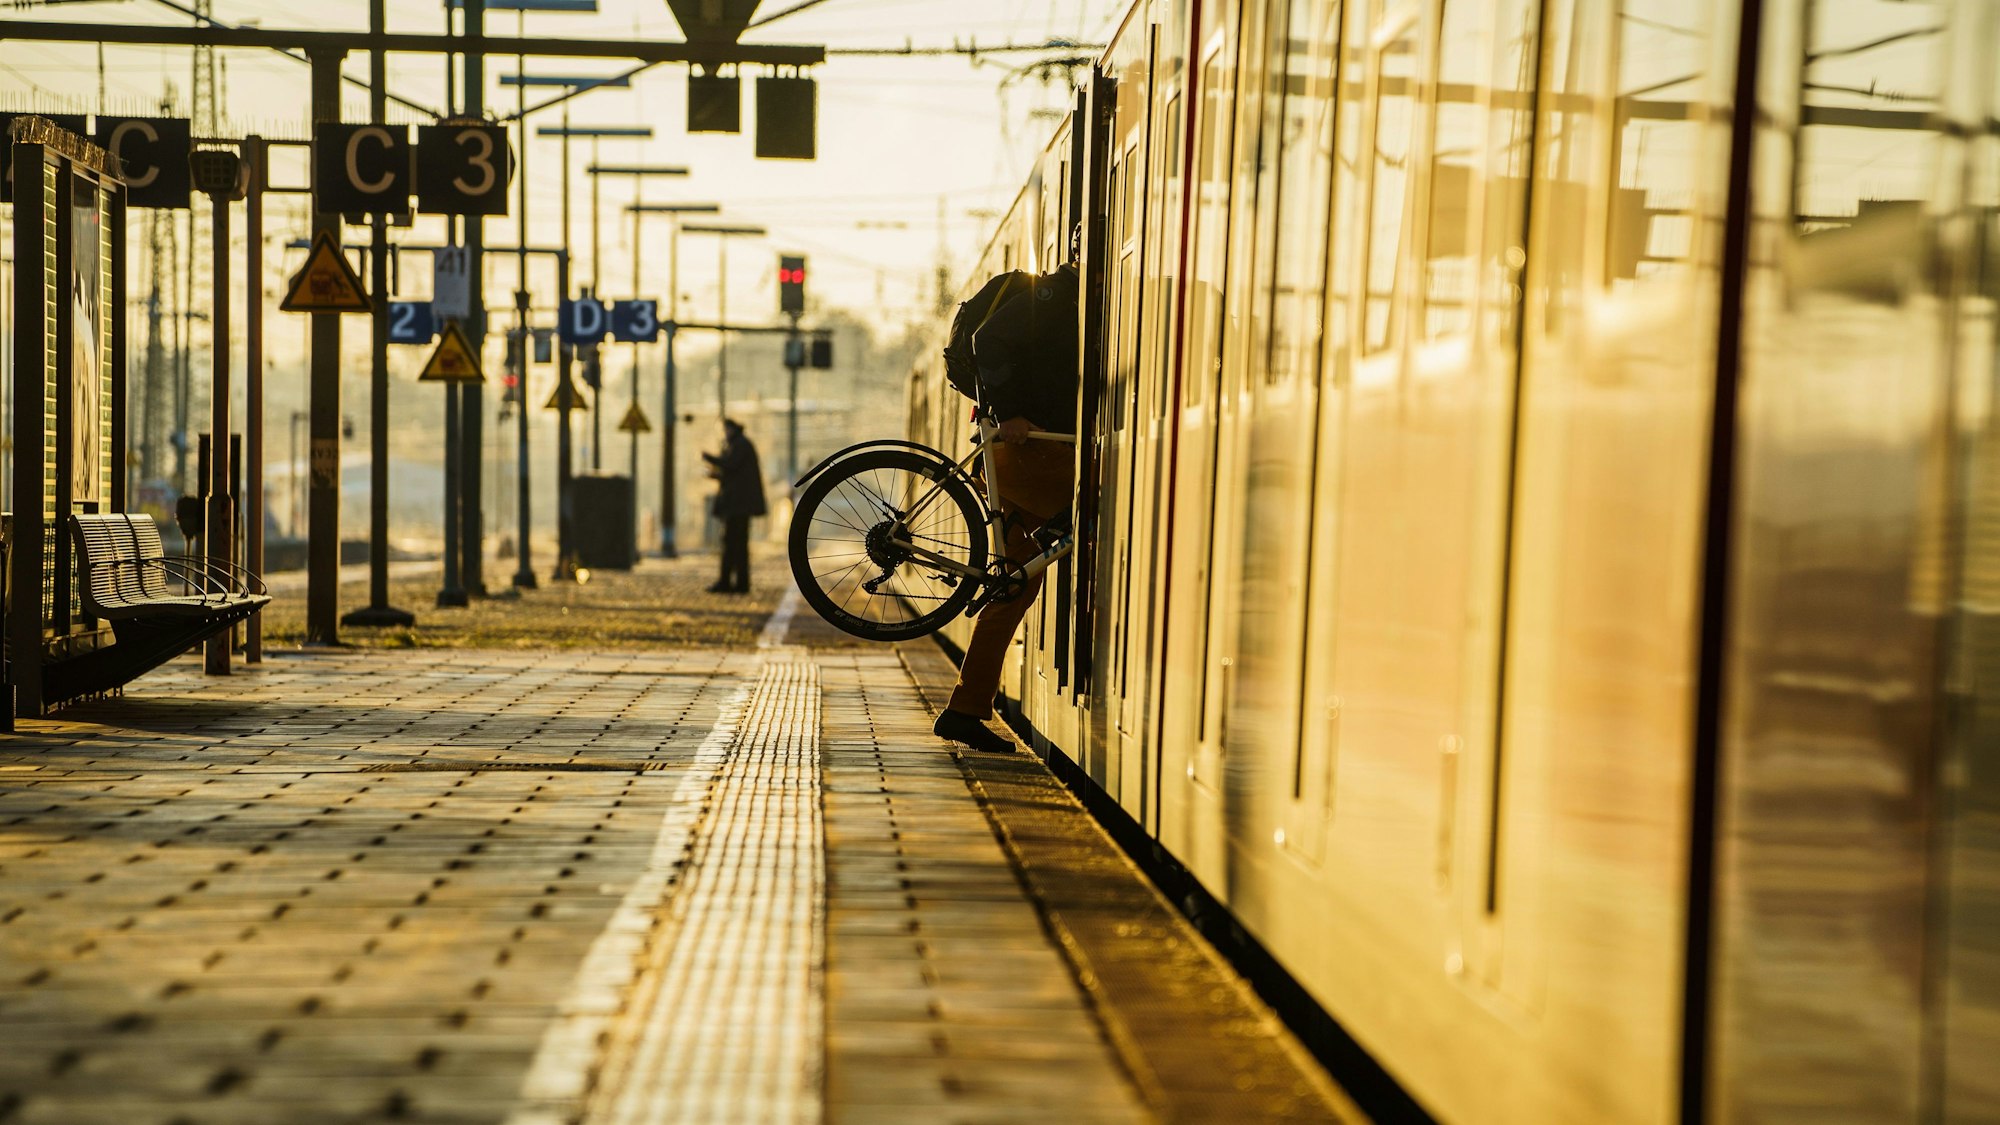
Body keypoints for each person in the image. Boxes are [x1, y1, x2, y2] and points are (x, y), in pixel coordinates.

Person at [932, 256, 1081, 754]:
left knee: (1016, 584)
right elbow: (988, 340)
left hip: (1030, 459)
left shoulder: (1070, 302)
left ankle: (964, 709)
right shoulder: (1056, 298)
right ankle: (965, 707)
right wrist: (1012, 411)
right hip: (1025, 456)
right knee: (1100, 504)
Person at [702, 418, 766, 594]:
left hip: (738, 506)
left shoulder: (740, 445)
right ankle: (737, 584)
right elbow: (734, 473)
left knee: (732, 544)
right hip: (739, 505)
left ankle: (730, 583)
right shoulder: (740, 444)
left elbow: (730, 466)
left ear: (730, 429)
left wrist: (709, 458)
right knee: (736, 545)